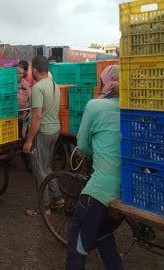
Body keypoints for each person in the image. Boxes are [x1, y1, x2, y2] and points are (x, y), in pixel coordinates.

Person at [66, 65, 123, 270]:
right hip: (127, 193)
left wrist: (93, 152)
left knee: (78, 242)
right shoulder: (131, 107)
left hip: (101, 191)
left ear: (105, 84)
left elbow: (82, 145)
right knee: (103, 234)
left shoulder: (95, 106)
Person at [23, 56, 64, 216]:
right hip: (55, 130)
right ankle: (58, 198)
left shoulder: (38, 88)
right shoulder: (55, 85)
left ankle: (44, 207)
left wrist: (29, 140)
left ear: (34, 70)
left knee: (39, 170)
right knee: (46, 167)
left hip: (44, 133)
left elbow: (37, 116)